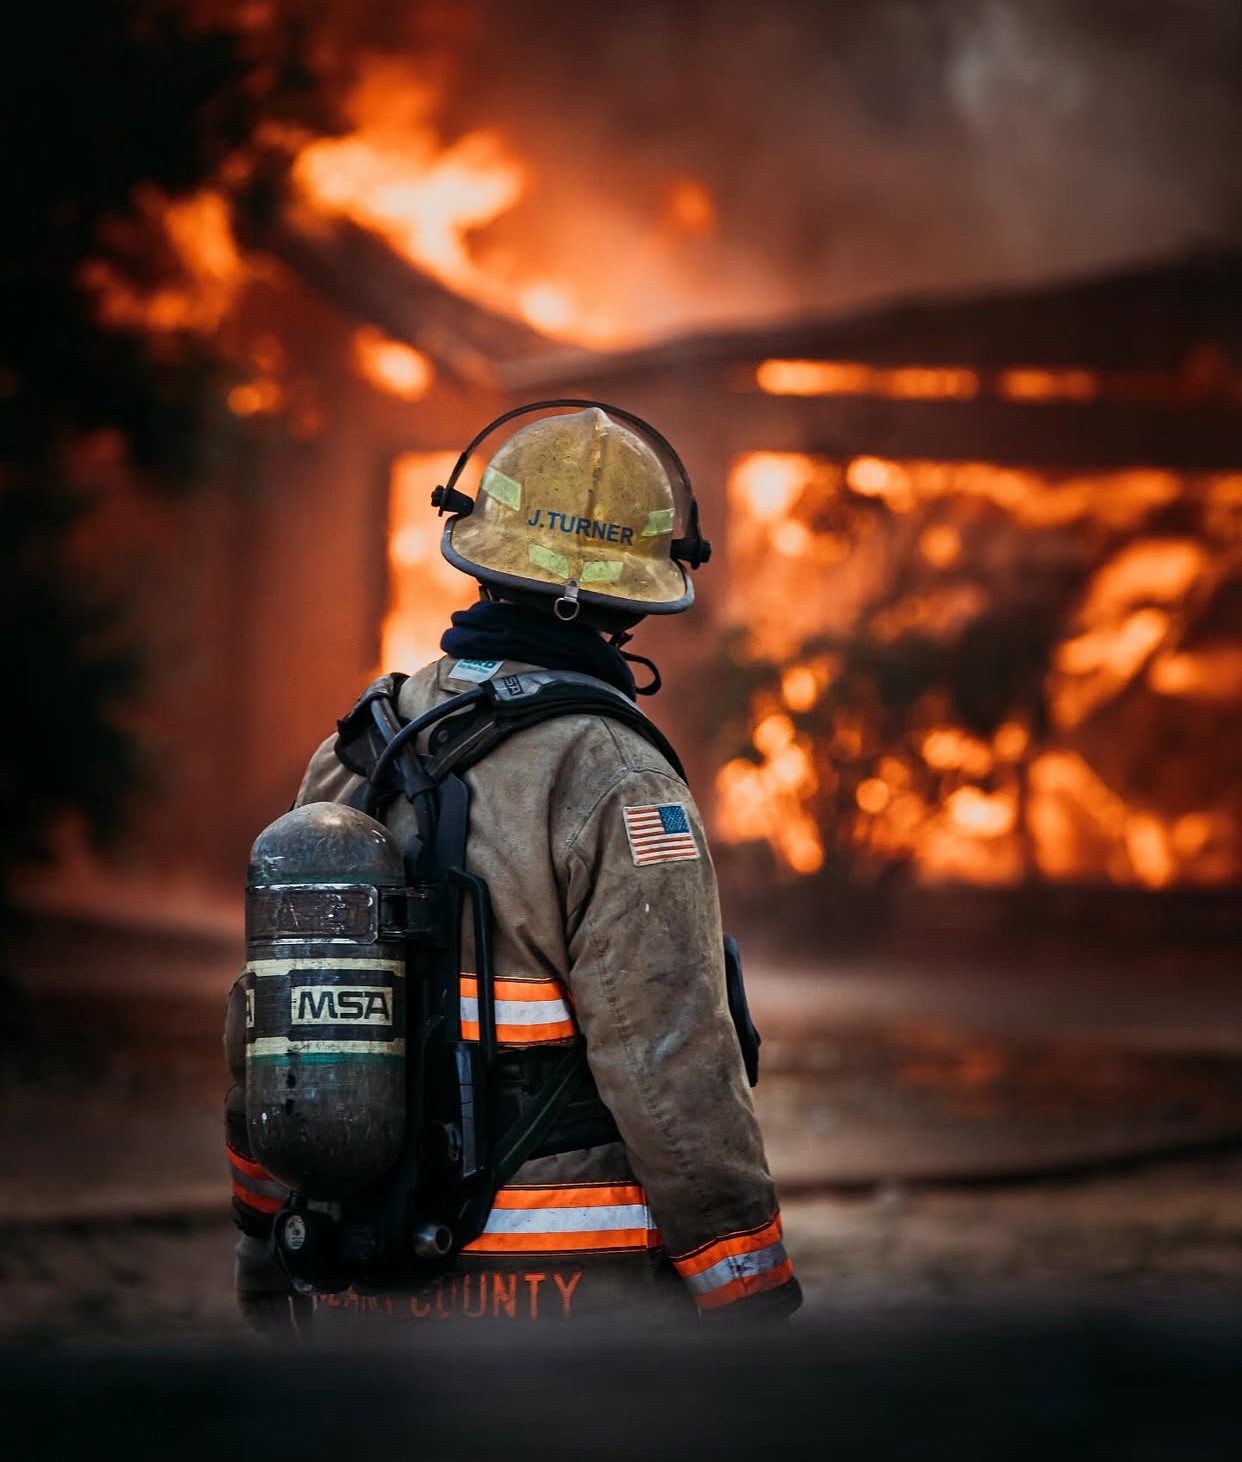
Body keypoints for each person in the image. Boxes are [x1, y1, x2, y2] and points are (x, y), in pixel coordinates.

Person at [227, 403, 800, 1330]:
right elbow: (669, 1060)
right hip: (560, 1310)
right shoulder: (617, 778)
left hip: (355, 1286)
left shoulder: (356, 751)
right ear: (635, 596)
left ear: (480, 551)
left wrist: (262, 1241)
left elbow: (265, 1026)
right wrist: (752, 1294)